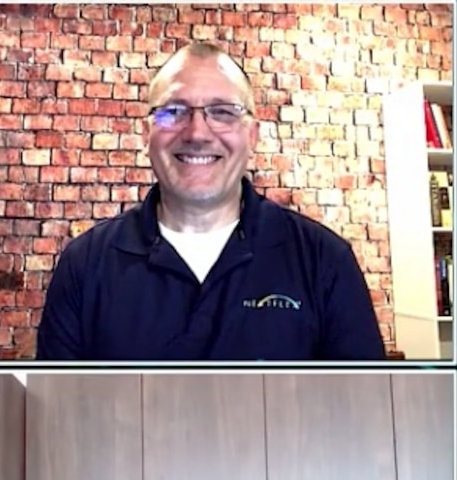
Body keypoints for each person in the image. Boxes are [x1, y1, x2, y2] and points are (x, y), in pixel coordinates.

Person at [36, 42, 386, 361]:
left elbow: (362, 415)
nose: (197, 133)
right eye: (174, 111)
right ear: (146, 135)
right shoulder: (84, 265)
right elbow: (58, 418)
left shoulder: (324, 261)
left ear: (252, 136)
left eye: (223, 111)